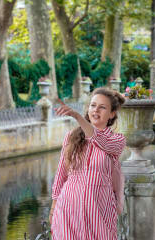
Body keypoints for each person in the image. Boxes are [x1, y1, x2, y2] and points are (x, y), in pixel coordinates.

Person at [50, 87, 126, 240]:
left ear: (112, 114)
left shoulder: (117, 140)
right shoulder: (71, 137)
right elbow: (61, 173)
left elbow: (98, 139)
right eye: (93, 105)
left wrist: (78, 117)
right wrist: (53, 208)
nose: (96, 110)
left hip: (100, 209)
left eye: (102, 107)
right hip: (68, 207)